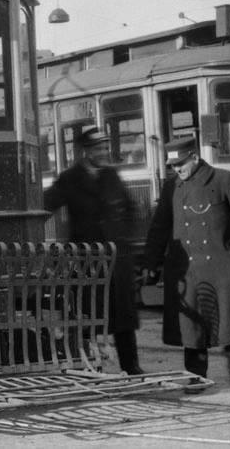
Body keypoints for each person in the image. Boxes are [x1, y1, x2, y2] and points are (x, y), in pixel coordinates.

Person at [144, 136, 230, 389]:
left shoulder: (223, 179)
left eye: (181, 164)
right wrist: (151, 262)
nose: (177, 170)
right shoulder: (170, 188)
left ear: (195, 158)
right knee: (191, 326)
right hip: (187, 269)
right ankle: (196, 377)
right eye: (173, 166)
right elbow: (160, 227)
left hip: (222, 265)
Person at [43, 125, 144, 375]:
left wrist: (126, 241)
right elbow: (47, 205)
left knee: (123, 319)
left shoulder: (112, 175)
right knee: (89, 316)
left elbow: (131, 209)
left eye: (104, 148)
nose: (103, 152)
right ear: (85, 151)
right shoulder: (70, 178)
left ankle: (131, 367)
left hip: (117, 258)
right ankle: (92, 367)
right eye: (97, 148)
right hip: (87, 260)